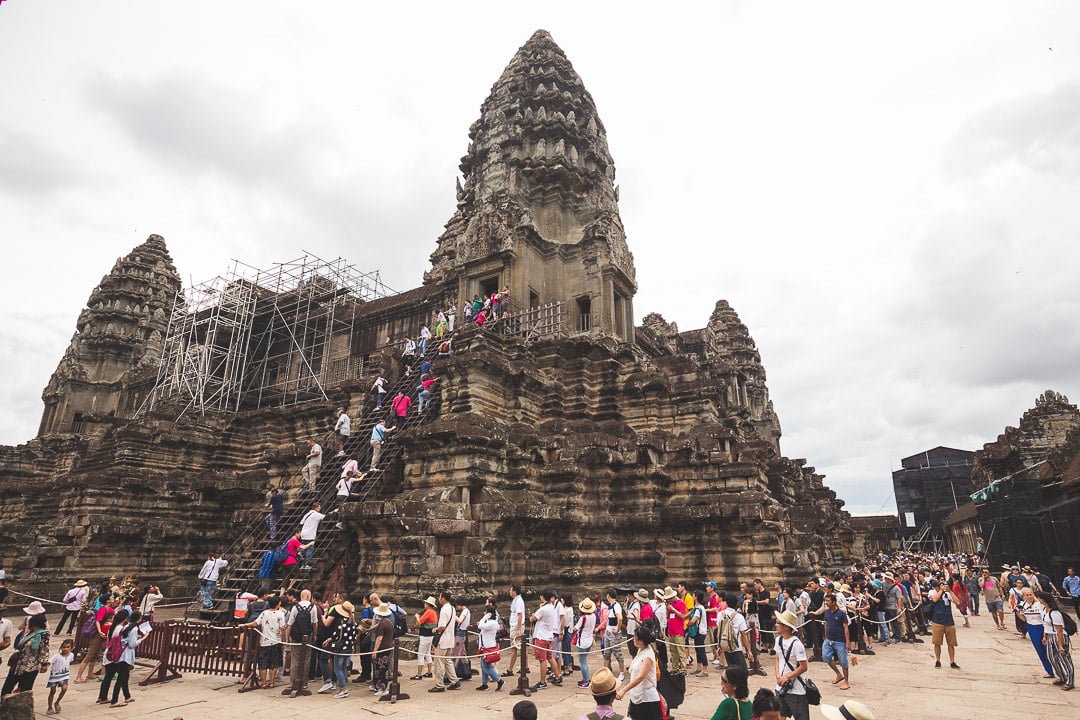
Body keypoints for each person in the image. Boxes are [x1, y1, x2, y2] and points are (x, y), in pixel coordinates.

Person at [614, 626, 662, 720]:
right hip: (636, 694)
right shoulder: (641, 650)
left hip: (647, 698)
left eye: (635, 636)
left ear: (640, 641)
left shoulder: (647, 655)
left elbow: (641, 677)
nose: (633, 638)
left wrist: (624, 690)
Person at [239, 596, 285, 689]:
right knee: (274, 663)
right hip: (275, 640)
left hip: (264, 641)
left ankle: (263, 683)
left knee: (263, 662)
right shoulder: (280, 614)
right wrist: (283, 638)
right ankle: (271, 682)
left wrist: (245, 624)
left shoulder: (264, 613)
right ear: (277, 604)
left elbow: (255, 623)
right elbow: (282, 628)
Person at [773, 609, 809, 720]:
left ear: (786, 627)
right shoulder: (778, 640)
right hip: (781, 686)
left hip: (795, 688)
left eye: (778, 623)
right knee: (780, 715)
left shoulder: (796, 644)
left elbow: (804, 666)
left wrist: (787, 676)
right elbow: (777, 659)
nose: (776, 625)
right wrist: (778, 675)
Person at [1035, 591, 1074, 690]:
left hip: (1058, 637)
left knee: (1065, 660)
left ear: (1043, 599)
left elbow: (1059, 630)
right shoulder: (1045, 610)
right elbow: (1045, 625)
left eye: (1039, 598)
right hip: (1050, 636)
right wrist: (1045, 636)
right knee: (1052, 657)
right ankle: (1061, 676)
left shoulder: (1055, 613)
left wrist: (1060, 645)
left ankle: (1070, 681)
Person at [810, 594, 850, 689]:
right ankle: (838, 674)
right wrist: (826, 636)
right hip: (829, 639)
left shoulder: (841, 614)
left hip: (840, 640)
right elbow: (826, 624)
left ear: (834, 602)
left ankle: (846, 681)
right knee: (826, 657)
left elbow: (846, 628)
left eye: (828, 601)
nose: (826, 603)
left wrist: (847, 642)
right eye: (825, 601)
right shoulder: (827, 612)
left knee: (843, 662)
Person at [1016, 586, 1055, 678]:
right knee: (1040, 650)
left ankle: (1057, 669)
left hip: (1042, 627)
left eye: (1031, 594)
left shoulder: (1039, 604)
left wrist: (1045, 633)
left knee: (1050, 650)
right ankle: (1049, 671)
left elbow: (1045, 618)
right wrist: (1017, 612)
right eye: (1027, 595)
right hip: (1031, 628)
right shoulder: (1022, 605)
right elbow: (1024, 619)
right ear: (1024, 596)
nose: (1029, 596)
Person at [530, 589, 562, 690]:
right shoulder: (552, 607)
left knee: (542, 660)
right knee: (549, 657)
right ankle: (558, 676)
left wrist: (534, 613)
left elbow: (533, 618)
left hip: (541, 636)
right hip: (549, 636)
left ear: (543, 597)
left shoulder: (543, 609)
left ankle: (542, 682)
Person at [429, 590, 461, 692]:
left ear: (443, 598)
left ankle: (439, 685)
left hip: (443, 640)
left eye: (439, 597)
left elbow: (442, 626)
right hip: (450, 639)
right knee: (448, 661)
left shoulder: (444, 610)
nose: (439, 599)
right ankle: (454, 680)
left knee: (440, 663)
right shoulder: (452, 608)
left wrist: (435, 629)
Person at [927, 578, 960, 670]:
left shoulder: (948, 594)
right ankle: (938, 660)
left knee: (951, 643)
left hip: (949, 620)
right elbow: (934, 600)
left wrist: (950, 591)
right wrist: (940, 591)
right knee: (937, 642)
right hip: (937, 620)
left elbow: (957, 601)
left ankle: (952, 661)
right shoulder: (932, 592)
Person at [476, 603, 504, 691]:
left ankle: (498, 680)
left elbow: (480, 625)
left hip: (488, 647)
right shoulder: (491, 622)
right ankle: (484, 683)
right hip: (486, 646)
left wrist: (485, 617)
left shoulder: (492, 623)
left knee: (486, 666)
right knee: (483, 665)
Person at [370, 603, 396, 696]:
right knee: (384, 668)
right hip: (388, 647)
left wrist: (375, 650)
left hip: (383, 648)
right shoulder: (389, 621)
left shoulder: (382, 623)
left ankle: (382, 688)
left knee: (381, 669)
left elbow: (379, 638)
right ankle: (382, 687)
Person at [603, 588, 627, 681]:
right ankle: (605, 672)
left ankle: (621, 672)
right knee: (606, 653)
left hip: (614, 634)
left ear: (608, 595)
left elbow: (620, 618)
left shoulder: (616, 606)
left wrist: (618, 628)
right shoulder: (611, 606)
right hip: (608, 632)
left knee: (617, 653)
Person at [412, 596, 438, 680]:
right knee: (427, 653)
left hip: (425, 636)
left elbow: (420, 622)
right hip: (430, 635)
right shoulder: (433, 612)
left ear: (427, 604)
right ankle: (429, 672)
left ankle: (419, 674)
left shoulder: (428, 612)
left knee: (421, 654)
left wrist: (417, 616)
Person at [46, 637, 73, 714]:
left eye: (68, 647)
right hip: (54, 676)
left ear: (71, 648)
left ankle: (57, 702)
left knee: (64, 689)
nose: (65, 649)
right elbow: (49, 662)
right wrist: (45, 666)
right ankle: (50, 707)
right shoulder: (56, 656)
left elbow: (69, 662)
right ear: (61, 647)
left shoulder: (71, 655)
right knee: (52, 691)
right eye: (64, 647)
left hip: (64, 675)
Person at [575, 597, 598, 688]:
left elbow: (575, 628)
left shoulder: (583, 618)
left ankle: (586, 681)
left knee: (582, 661)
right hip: (589, 640)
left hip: (583, 641)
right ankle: (586, 678)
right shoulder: (594, 616)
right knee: (584, 660)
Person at [505, 584, 526, 677]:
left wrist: (518, 629)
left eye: (511, 590)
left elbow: (520, 615)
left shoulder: (518, 601)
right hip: (515, 625)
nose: (509, 591)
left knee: (514, 648)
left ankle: (510, 669)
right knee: (521, 647)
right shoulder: (516, 600)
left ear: (514, 591)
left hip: (516, 626)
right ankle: (525, 666)